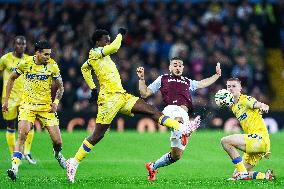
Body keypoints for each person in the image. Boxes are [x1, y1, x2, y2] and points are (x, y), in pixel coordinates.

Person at [66, 28, 184, 183]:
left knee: (151, 110)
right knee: (98, 134)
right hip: (108, 100)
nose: (108, 41)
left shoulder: (100, 56)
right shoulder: (94, 53)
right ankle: (73, 162)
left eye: (109, 39)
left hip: (121, 95)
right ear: (97, 42)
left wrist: (92, 88)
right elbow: (115, 47)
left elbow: (84, 68)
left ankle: (179, 127)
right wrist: (120, 34)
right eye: (106, 39)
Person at [136, 57, 221, 181]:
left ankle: (152, 166)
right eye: (175, 65)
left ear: (183, 68)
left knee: (176, 155)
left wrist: (217, 75)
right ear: (170, 67)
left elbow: (202, 83)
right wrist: (142, 78)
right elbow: (144, 94)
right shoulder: (163, 78)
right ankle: (186, 130)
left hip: (185, 115)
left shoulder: (187, 81)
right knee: (178, 119)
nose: (177, 67)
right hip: (170, 110)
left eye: (180, 65)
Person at [2, 40, 66, 181]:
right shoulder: (26, 63)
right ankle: (14, 168)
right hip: (27, 106)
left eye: (49, 54)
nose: (48, 57)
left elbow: (61, 87)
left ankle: (57, 154)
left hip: (46, 108)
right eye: (45, 54)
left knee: (58, 142)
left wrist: (56, 102)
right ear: (37, 53)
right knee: (22, 134)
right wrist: (6, 100)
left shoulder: (52, 65)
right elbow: (11, 78)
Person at [221, 77, 274, 180]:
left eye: (234, 86)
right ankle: (266, 176)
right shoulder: (233, 106)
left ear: (240, 88)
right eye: (228, 86)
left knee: (225, 141)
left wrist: (263, 107)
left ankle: (243, 173)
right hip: (254, 142)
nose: (231, 89)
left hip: (259, 139)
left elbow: (259, 104)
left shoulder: (245, 100)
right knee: (236, 174)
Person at [0, 36, 36, 164]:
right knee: (11, 126)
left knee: (29, 124)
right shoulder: (5, 59)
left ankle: (27, 151)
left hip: (25, 98)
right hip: (8, 98)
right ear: (14, 45)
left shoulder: (28, 60)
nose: (21, 46)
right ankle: (13, 154)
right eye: (19, 44)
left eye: (24, 44)